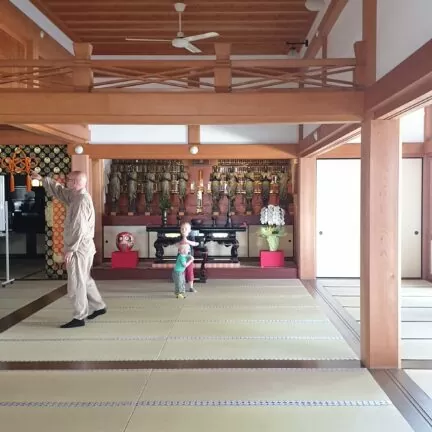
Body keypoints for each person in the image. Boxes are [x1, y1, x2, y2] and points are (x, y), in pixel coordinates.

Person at [31, 170, 107, 328]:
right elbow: (60, 191)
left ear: (78, 182)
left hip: (79, 247)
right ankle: (99, 306)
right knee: (84, 278)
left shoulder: (81, 200)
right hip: (84, 246)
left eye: (70, 180)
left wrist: (71, 249)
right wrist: (43, 179)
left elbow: (78, 228)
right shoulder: (75, 195)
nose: (67, 182)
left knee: (76, 283)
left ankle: (79, 316)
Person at [178, 221, 199, 293]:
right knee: (181, 273)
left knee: (190, 272)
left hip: (189, 257)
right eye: (182, 229)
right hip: (181, 258)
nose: (184, 230)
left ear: (189, 230)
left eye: (186, 229)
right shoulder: (179, 237)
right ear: (180, 230)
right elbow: (175, 245)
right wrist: (181, 242)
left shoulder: (191, 237)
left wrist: (187, 241)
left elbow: (196, 244)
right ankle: (181, 287)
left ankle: (191, 287)